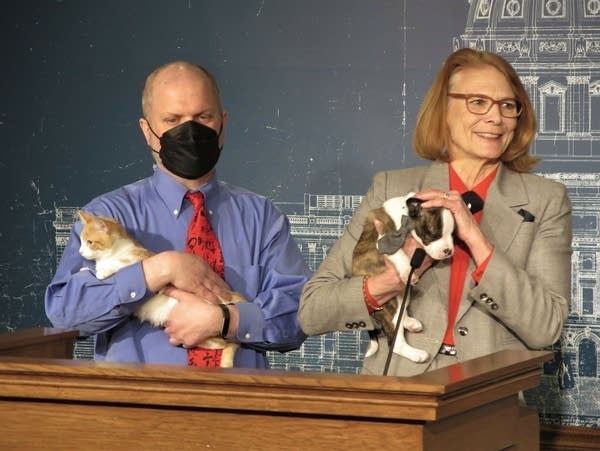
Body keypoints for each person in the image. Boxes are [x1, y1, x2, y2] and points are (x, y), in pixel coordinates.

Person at [298, 48, 572, 377]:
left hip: (488, 399)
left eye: (507, 105)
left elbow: (546, 327)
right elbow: (312, 311)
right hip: (399, 391)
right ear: (443, 110)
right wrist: (386, 284)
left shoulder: (546, 200)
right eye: (478, 102)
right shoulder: (391, 189)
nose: (496, 118)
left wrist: (478, 242)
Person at [45, 61, 311, 368]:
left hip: (240, 408)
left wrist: (225, 320)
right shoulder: (106, 216)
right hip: (139, 408)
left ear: (222, 124)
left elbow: (301, 314)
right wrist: (158, 270)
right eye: (172, 119)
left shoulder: (262, 217)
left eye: (203, 117)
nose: (190, 131)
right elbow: (65, 314)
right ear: (147, 131)